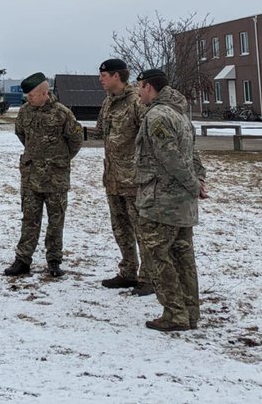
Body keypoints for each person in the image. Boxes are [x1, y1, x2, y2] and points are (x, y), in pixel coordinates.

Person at [134, 68, 206, 332]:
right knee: (183, 257)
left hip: (161, 202)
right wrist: (198, 180)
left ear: (149, 87)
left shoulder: (158, 116)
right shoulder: (180, 114)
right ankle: (190, 312)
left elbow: (172, 157)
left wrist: (193, 183)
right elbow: (193, 154)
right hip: (180, 202)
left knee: (158, 257)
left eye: (139, 86)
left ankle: (175, 314)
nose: (137, 91)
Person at [4, 72, 83, 278]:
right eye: (27, 96)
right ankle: (23, 260)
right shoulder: (24, 112)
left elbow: (76, 140)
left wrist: (60, 160)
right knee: (29, 219)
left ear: (44, 93)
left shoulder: (62, 113)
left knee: (56, 221)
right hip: (31, 177)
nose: (28, 98)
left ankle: (54, 261)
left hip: (55, 178)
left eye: (31, 95)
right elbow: (21, 134)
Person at [92, 57, 152, 294]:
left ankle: (149, 277)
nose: (100, 80)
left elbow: (149, 138)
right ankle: (128, 272)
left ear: (117, 76)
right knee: (120, 228)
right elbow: (99, 132)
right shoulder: (108, 102)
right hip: (113, 178)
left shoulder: (137, 102)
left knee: (142, 230)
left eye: (103, 76)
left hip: (134, 180)